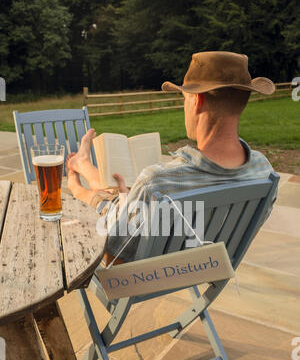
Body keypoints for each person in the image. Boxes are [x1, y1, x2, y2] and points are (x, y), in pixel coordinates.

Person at [66, 51, 276, 264]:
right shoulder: (264, 172)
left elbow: (114, 260)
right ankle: (83, 164)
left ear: (197, 100)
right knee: (122, 194)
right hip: (205, 264)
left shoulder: (156, 182)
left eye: (184, 98)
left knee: (109, 200)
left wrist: (129, 202)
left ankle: (77, 184)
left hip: (148, 273)